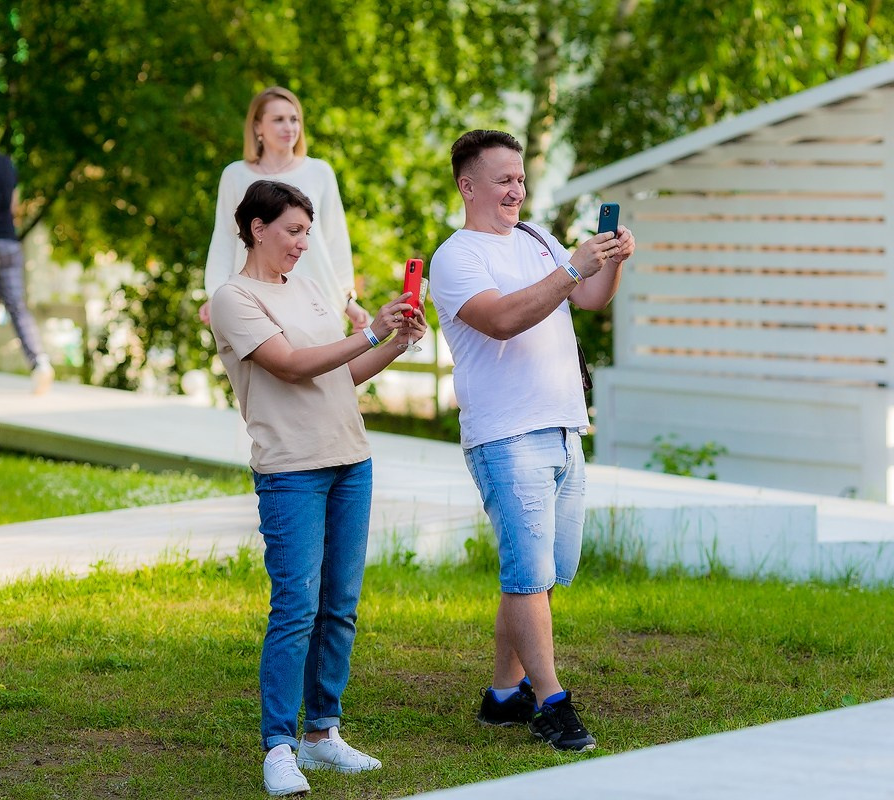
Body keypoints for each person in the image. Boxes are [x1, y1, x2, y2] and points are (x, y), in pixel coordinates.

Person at [209, 180, 426, 796]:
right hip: (290, 469)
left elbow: (342, 374)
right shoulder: (233, 297)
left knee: (340, 606)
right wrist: (373, 331)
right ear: (257, 228)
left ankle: (322, 735)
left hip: (350, 460)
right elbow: (291, 365)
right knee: (295, 609)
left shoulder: (306, 288)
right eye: (294, 231)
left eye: (308, 232)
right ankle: (279, 746)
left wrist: (397, 341)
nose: (304, 244)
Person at [428, 129, 635, 752]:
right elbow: (502, 318)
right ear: (469, 186)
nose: (516, 189)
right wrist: (572, 265)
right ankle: (551, 702)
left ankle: (501, 696)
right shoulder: (457, 256)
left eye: (520, 178)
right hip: (505, 435)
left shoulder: (538, 238)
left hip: (565, 428)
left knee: (539, 575)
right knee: (526, 575)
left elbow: (591, 299)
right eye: (503, 180)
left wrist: (612, 260)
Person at [201, 86, 369, 332]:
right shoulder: (235, 175)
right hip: (253, 300)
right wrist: (216, 294)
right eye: (278, 120)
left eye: (294, 119)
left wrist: (347, 301)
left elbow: (336, 241)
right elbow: (225, 238)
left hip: (318, 302)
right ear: (258, 127)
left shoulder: (319, 172)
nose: (289, 127)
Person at [0, 111, 53, 394]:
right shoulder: (6, 165)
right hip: (9, 244)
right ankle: (41, 363)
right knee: (18, 309)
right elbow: (14, 207)